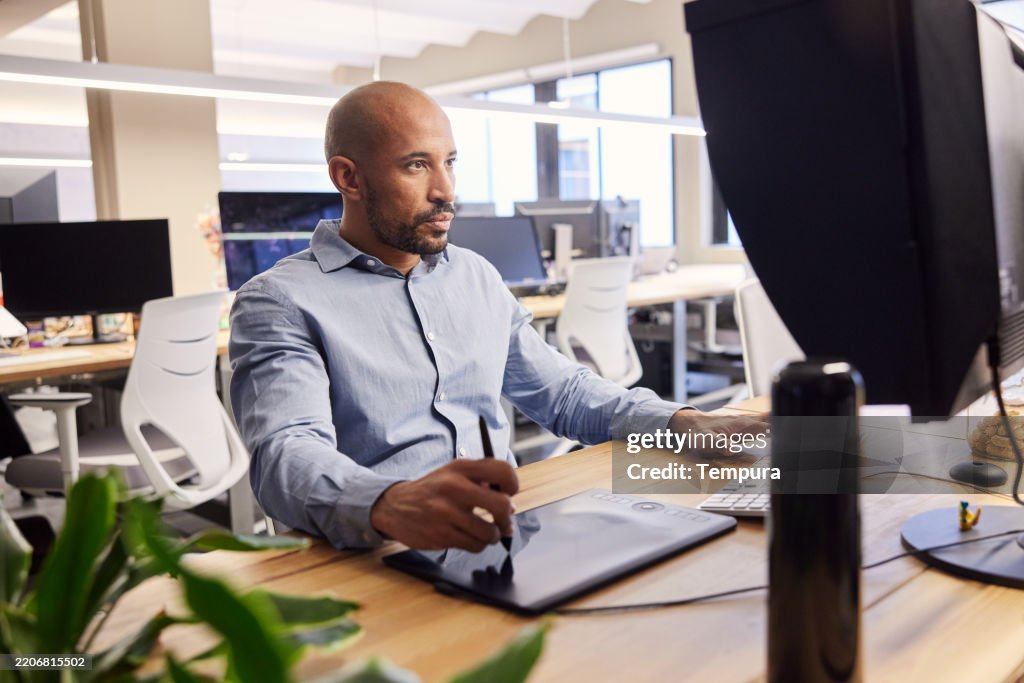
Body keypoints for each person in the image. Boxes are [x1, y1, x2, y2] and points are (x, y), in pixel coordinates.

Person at [229, 81, 761, 552]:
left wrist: (680, 424)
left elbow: (564, 394)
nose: (445, 191)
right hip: (376, 554)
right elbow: (285, 454)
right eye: (416, 165)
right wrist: (388, 502)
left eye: (450, 162)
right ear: (349, 177)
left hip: (501, 535)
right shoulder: (279, 301)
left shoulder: (475, 276)